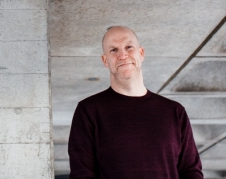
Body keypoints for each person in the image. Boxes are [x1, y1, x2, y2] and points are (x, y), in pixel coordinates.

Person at [68, 26, 203, 179]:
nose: (123, 55)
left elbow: (191, 171)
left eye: (129, 47)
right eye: (113, 50)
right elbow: (82, 174)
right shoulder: (89, 110)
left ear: (141, 53)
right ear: (105, 60)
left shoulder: (174, 111)